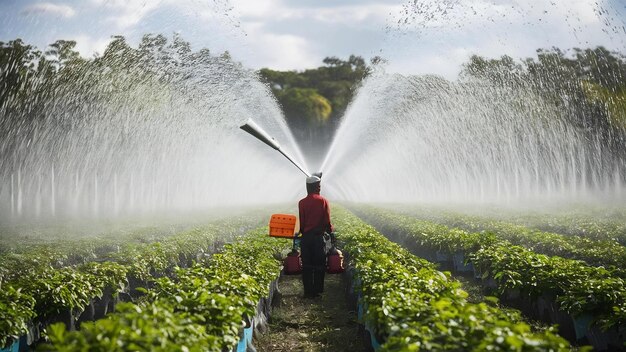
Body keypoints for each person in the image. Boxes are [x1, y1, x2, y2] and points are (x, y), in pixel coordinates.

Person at [297, 175, 334, 298]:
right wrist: (330, 230)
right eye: (319, 186)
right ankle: (317, 291)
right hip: (318, 238)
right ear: (315, 187)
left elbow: (302, 222)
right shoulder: (323, 201)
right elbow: (327, 220)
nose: (320, 188)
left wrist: (302, 232)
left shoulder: (301, 203)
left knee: (307, 265)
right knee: (319, 265)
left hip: (306, 238)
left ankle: (308, 292)